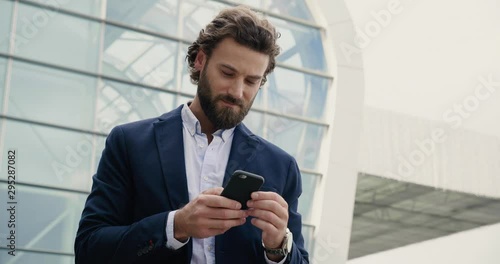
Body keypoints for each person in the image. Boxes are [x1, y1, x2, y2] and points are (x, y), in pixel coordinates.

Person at [75, 5, 309, 264]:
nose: (237, 91)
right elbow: (89, 249)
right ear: (200, 60)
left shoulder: (282, 167)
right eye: (227, 73)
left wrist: (277, 247)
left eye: (252, 81)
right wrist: (176, 225)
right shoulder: (129, 144)